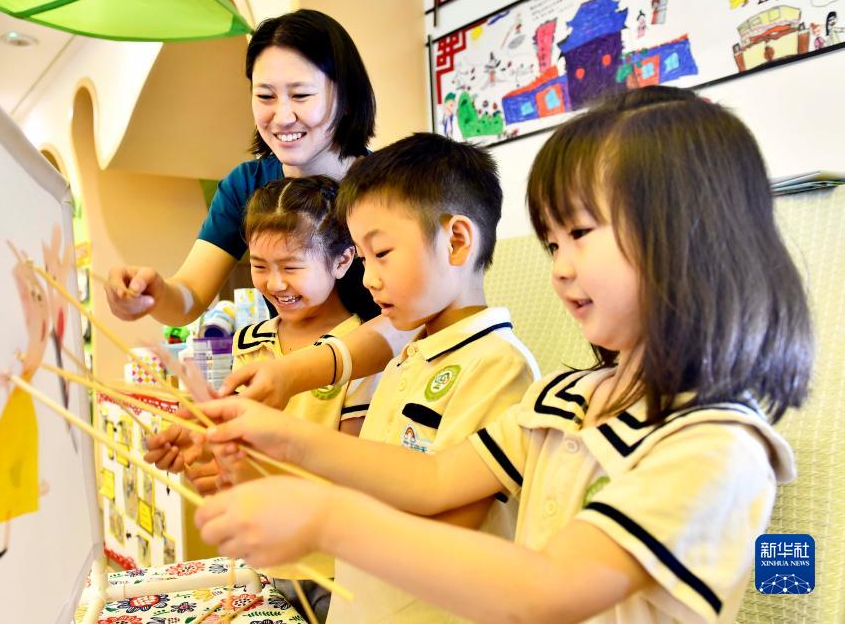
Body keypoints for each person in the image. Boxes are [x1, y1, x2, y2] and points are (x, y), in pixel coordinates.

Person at [183, 88, 813, 622]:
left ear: (686, 232)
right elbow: (432, 478)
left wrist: (326, 520)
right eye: (552, 242)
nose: (559, 267)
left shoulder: (715, 447)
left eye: (579, 234)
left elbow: (551, 587)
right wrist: (271, 434)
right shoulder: (566, 399)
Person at [151, 133, 540, 622]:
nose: (369, 278)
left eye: (382, 253)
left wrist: (291, 496)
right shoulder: (408, 357)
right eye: (363, 256)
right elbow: (372, 480)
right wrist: (242, 458)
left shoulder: (497, 366)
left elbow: (445, 536)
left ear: (457, 241)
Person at [146, 175, 381, 620]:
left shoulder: (362, 351)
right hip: (262, 561)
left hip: (332, 567)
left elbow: (355, 471)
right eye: (259, 265)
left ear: (343, 260)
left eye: (291, 267)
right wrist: (202, 449)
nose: (274, 284)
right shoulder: (249, 341)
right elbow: (234, 441)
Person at [105, 8, 379, 327]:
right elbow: (190, 295)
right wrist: (153, 293)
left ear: (346, 98)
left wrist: (330, 355)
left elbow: (412, 317)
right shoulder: (246, 186)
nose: (282, 116)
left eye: (301, 95)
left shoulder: (390, 188)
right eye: (265, 96)